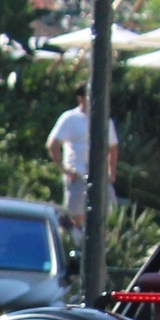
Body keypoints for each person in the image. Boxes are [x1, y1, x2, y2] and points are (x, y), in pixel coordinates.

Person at [46, 93, 119, 229]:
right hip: (77, 176)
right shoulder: (70, 118)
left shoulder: (104, 120)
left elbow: (113, 148)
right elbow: (53, 144)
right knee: (73, 219)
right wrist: (64, 169)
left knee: (109, 216)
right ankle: (74, 246)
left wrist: (112, 173)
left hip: (101, 178)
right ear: (80, 98)